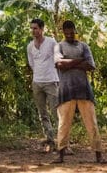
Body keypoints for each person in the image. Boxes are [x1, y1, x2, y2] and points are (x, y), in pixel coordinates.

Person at [54, 19, 102, 163]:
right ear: (63, 32)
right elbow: (59, 64)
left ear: (75, 31)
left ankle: (98, 154)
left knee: (91, 123)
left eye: (71, 32)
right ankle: (60, 154)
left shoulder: (83, 46)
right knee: (63, 123)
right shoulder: (59, 46)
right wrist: (78, 61)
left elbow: (90, 65)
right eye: (66, 32)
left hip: (83, 89)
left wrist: (69, 62)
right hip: (66, 89)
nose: (69, 34)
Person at [25, 18, 61, 152]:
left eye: (35, 28)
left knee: (57, 112)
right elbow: (32, 64)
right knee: (42, 113)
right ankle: (50, 139)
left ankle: (63, 142)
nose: (33, 31)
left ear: (41, 29)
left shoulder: (51, 42)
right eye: (32, 28)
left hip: (51, 81)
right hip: (37, 82)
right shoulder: (30, 46)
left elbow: (58, 59)